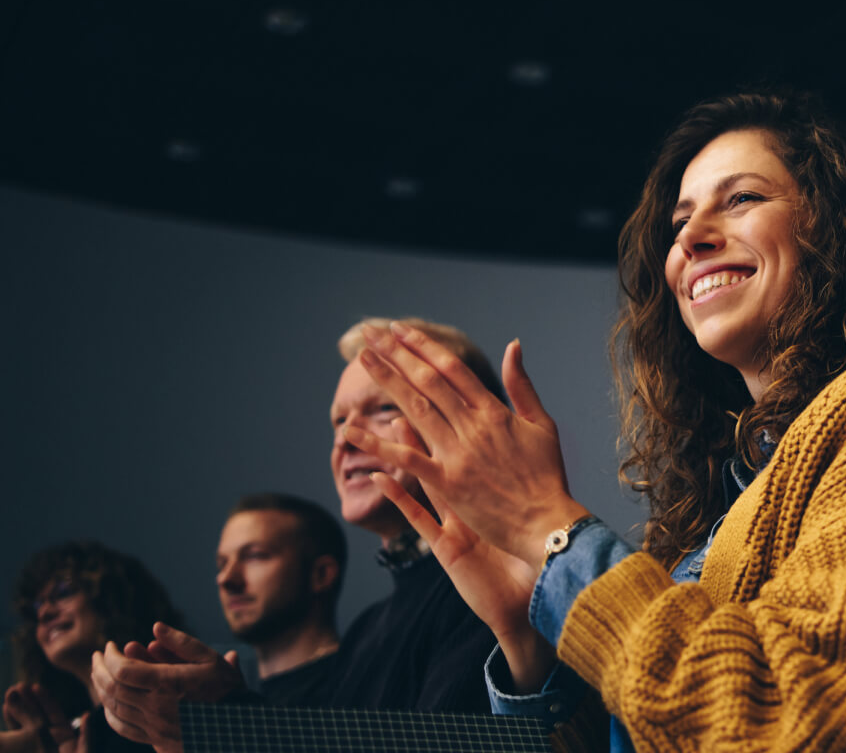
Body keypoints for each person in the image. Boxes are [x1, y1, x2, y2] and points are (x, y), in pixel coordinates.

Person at [343, 91, 846, 751]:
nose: (691, 239)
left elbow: (813, 731)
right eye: (681, 220)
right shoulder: (726, 502)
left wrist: (554, 534)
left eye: (742, 198)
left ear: (837, 229)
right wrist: (526, 642)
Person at [89, 318, 502, 749]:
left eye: (383, 409)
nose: (345, 438)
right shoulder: (365, 630)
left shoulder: (496, 593)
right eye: (338, 420)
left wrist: (229, 721)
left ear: (465, 420)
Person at [6, 542, 186, 753]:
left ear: (111, 600)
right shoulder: (71, 732)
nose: (43, 613)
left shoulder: (169, 712)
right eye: (36, 607)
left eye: (63, 592)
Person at [215, 493, 346, 705]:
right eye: (222, 564)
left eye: (254, 556)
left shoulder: (359, 691)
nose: (226, 579)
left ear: (321, 574)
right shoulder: (256, 696)